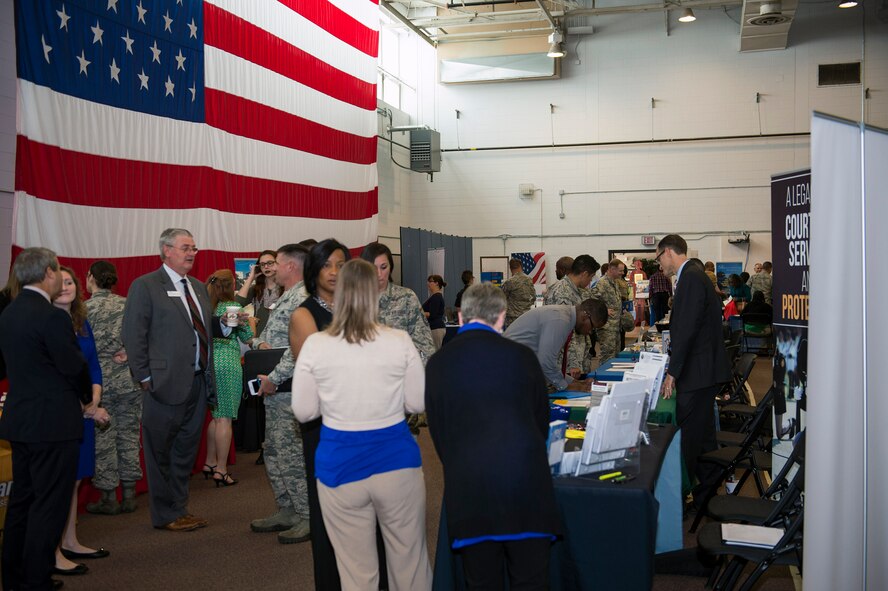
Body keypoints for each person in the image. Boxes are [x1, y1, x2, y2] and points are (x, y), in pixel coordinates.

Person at [292, 259, 432, 591]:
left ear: (338, 293)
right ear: (375, 294)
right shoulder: (398, 340)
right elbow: (417, 402)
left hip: (339, 466)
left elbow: (303, 411)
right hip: (396, 462)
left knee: (356, 572)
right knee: (409, 561)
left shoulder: (316, 344)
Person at [426, 283, 561, 589]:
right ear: (502, 318)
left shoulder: (437, 365)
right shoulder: (524, 357)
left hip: (470, 492)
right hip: (526, 491)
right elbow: (541, 423)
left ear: (460, 317)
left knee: (481, 582)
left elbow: (440, 435)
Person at [122, 228, 233, 532]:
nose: (192, 253)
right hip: (162, 384)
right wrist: (145, 376)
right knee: (159, 452)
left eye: (194, 248)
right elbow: (133, 334)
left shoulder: (197, 288)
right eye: (186, 247)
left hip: (197, 383)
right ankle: (165, 515)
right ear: (166, 250)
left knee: (185, 450)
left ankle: (179, 509)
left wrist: (222, 325)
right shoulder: (145, 286)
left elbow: (202, 330)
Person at [0, 247, 91, 591]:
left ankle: (14, 577)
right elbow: (73, 366)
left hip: (20, 421)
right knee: (48, 505)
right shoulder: (52, 316)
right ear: (48, 273)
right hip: (52, 423)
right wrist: (86, 398)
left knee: (22, 503)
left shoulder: (8, 313)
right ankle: (36, 580)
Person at [284, 239, 351, 590]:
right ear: (314, 271)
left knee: (364, 514)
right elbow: (319, 372)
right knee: (330, 515)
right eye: (326, 265)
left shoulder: (358, 309)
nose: (334, 272)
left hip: (362, 424)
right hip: (325, 425)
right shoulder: (304, 314)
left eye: (341, 264)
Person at [656, 234, 731, 509]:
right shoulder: (694, 276)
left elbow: (686, 329)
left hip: (697, 373)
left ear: (668, 253)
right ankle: (707, 496)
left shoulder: (690, 278)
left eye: (658, 258)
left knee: (689, 438)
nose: (659, 265)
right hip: (703, 370)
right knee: (703, 438)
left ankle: (681, 497)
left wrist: (673, 372)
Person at [251, 243, 313, 544]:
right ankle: (287, 509)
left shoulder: (303, 297)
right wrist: (259, 344)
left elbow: (298, 347)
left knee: (290, 453)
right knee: (274, 450)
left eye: (277, 262)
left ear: (290, 266)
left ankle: (307, 515)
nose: (272, 267)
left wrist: (274, 377)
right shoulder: (286, 296)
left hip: (289, 388)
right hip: (274, 390)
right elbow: (269, 335)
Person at [53, 267, 112, 576]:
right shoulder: (49, 322)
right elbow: (58, 372)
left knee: (75, 480)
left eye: (70, 282)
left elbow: (93, 365)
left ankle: (70, 540)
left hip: (86, 408)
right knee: (59, 483)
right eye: (60, 283)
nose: (66, 287)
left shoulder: (81, 320)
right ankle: (53, 550)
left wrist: (95, 397)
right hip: (64, 411)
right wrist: (87, 407)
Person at [84, 260, 143, 516]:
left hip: (100, 384)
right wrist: (128, 352)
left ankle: (108, 498)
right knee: (129, 434)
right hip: (129, 380)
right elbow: (144, 336)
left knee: (104, 439)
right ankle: (129, 494)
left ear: (90, 278)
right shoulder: (128, 304)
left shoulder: (83, 310)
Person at [361, 242, 436, 437]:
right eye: (372, 268)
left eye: (383, 267)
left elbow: (424, 346)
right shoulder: (353, 300)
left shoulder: (406, 298)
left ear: (391, 267)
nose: (378, 274)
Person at [204, 270, 254, 487]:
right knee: (225, 419)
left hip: (209, 363)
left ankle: (210, 462)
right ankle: (222, 470)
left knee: (216, 416)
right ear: (230, 285)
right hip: (227, 364)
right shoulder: (231, 308)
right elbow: (247, 337)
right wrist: (251, 322)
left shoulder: (207, 306)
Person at [504, 299, 607, 392]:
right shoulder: (561, 320)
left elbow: (549, 363)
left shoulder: (565, 317)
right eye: (593, 327)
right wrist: (567, 387)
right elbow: (545, 362)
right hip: (508, 368)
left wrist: (574, 382)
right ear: (585, 316)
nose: (590, 332)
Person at [544, 254, 599, 376]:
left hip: (578, 356)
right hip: (567, 363)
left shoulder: (576, 290)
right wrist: (573, 364)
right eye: (590, 278)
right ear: (584, 274)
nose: (590, 281)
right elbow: (564, 331)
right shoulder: (562, 292)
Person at [235, 250, 283, 337]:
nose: (266, 266)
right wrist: (251, 278)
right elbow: (236, 304)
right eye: (262, 264)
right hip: (259, 341)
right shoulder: (256, 289)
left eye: (270, 263)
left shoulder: (287, 288)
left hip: (281, 340)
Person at [592, 259, 627, 364]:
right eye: (620, 271)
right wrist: (604, 310)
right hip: (606, 327)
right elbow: (591, 300)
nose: (622, 273)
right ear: (612, 269)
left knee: (615, 357)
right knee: (607, 357)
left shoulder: (614, 282)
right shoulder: (602, 283)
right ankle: (603, 379)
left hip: (615, 326)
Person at [501, 258, 536, 328]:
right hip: (526, 316)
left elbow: (502, 299)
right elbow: (533, 297)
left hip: (513, 318)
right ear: (521, 266)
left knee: (512, 337)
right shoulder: (529, 280)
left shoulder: (510, 282)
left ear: (510, 268)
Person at [422, 274, 447, 350]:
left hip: (436, 328)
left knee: (434, 352)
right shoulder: (434, 297)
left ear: (436, 283)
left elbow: (432, 314)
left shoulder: (436, 297)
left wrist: (419, 313)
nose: (428, 284)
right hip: (434, 328)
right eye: (428, 282)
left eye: (430, 281)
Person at [629, 259, 648, 326]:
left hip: (641, 291)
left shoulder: (643, 273)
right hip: (635, 291)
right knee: (636, 306)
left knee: (642, 307)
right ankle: (637, 320)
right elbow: (630, 282)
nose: (638, 265)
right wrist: (634, 283)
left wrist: (642, 283)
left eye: (639, 264)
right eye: (636, 264)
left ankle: (642, 320)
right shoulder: (633, 273)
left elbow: (646, 281)